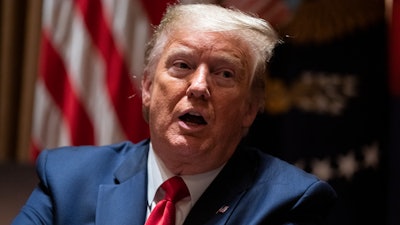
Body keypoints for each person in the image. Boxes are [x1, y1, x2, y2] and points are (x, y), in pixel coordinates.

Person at [13, 3, 336, 225]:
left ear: (250, 109)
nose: (198, 87)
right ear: (149, 88)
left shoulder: (289, 202)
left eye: (224, 74)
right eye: (182, 65)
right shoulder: (68, 177)